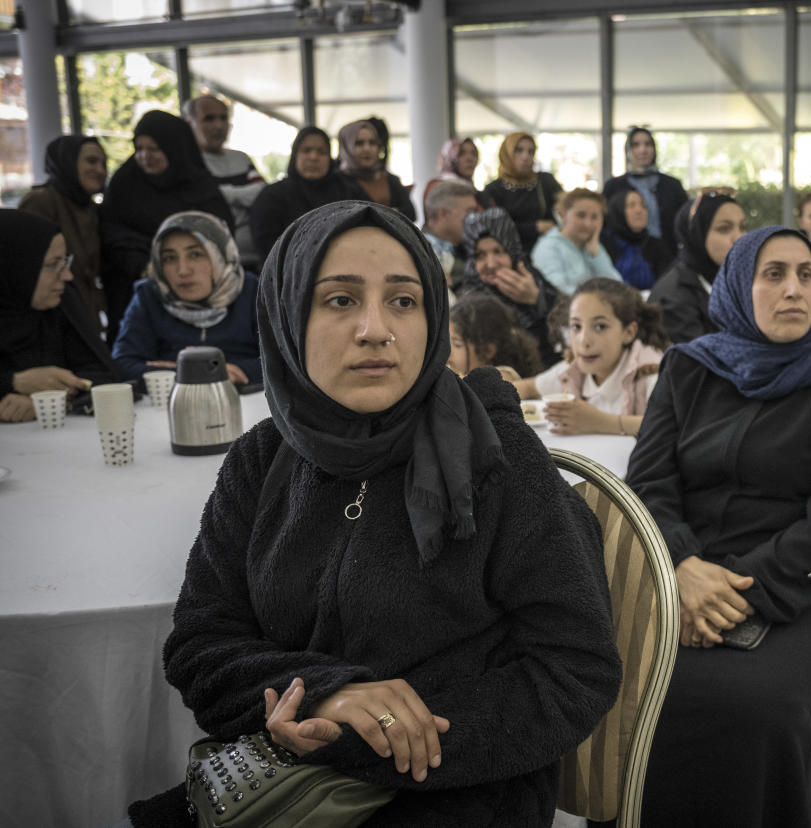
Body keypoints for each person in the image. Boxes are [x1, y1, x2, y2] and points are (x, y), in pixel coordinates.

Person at [122, 200, 622, 827]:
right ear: (287, 316)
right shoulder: (264, 457)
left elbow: (575, 668)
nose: (376, 329)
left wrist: (382, 736)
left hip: (458, 792)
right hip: (285, 785)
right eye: (340, 300)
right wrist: (323, 696)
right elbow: (200, 644)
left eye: (403, 301)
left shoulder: (496, 459)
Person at [626, 225, 811, 826]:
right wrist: (681, 568)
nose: (794, 290)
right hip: (685, 570)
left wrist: (722, 593)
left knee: (755, 706)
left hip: (810, 582)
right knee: (623, 678)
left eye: (805, 274)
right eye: (773, 274)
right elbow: (648, 485)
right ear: (736, 287)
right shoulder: (688, 368)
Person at [100, 110, 233, 343]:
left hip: (196, 289)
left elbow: (219, 233)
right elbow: (110, 230)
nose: (144, 156)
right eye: (139, 148)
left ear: (174, 148)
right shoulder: (125, 182)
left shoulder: (199, 184)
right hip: (134, 287)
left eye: (154, 149)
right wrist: (143, 265)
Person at [111, 211, 261, 388]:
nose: (182, 270)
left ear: (220, 255)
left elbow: (283, 362)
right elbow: (122, 365)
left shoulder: (253, 291)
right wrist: (193, 372)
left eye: (195, 255)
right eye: (169, 258)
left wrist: (218, 371)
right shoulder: (149, 296)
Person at [1, 211, 118, 423]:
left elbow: (103, 374)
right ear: (15, 267)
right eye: (52, 264)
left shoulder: (61, 300)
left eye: (65, 262)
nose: (67, 275)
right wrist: (14, 382)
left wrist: (50, 399)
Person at [511, 278, 668, 437]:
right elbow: (528, 387)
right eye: (576, 327)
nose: (584, 341)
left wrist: (599, 421)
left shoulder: (651, 371)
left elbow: (667, 425)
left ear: (628, 332)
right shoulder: (575, 368)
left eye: (600, 327)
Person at [18, 135, 109, 337]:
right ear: (67, 161)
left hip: (81, 318)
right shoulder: (41, 202)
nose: (101, 170)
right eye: (91, 161)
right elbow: (27, 268)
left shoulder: (90, 209)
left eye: (104, 163)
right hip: (49, 321)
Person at [250, 126, 367, 264]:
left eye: (321, 152)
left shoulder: (348, 191)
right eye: (306, 150)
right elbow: (267, 249)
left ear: (330, 158)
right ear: (295, 155)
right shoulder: (273, 196)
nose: (313, 157)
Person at [460, 207, 560, 368]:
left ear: (512, 251)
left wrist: (537, 299)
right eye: (480, 255)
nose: (491, 264)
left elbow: (567, 327)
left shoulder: (533, 277)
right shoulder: (469, 300)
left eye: (498, 251)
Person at [648, 192, 747, 343]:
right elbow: (704, 361)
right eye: (724, 228)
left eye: (742, 227)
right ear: (696, 234)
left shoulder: (727, 280)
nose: (739, 238)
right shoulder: (674, 296)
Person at [183, 95, 267, 272]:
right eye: (209, 118)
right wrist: (242, 197)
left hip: (254, 262)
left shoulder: (241, 159)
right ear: (190, 123)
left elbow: (262, 193)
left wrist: (226, 194)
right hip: (212, 266)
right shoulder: (187, 164)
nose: (219, 126)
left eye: (223, 118)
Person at [602, 127, 689, 259]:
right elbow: (606, 226)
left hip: (668, 258)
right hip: (624, 258)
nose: (642, 150)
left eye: (648, 144)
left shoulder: (672, 185)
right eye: (635, 145)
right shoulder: (613, 186)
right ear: (627, 150)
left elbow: (685, 222)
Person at [481, 132, 563, 255]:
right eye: (518, 150)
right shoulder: (493, 189)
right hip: (510, 254)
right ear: (506, 154)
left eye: (531, 152)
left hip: (550, 250)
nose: (525, 157)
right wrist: (535, 227)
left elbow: (567, 207)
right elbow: (495, 228)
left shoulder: (545, 181)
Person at [530, 189, 621, 295]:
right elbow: (556, 292)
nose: (587, 224)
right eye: (581, 215)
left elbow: (618, 287)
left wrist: (596, 254)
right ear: (563, 215)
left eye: (594, 217)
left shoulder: (593, 245)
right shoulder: (548, 248)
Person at [336, 119, 418, 223]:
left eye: (372, 143)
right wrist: (392, 212)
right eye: (359, 143)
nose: (367, 148)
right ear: (346, 147)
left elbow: (411, 213)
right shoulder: (336, 182)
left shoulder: (390, 179)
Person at [447, 293, 542, 379]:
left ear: (488, 351)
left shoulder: (502, 378)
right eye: (447, 341)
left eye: (457, 344)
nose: (448, 351)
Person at [601, 188, 672, 291]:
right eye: (631, 206)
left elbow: (667, 283)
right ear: (618, 211)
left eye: (643, 206)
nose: (639, 211)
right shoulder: (604, 244)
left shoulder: (656, 245)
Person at [422, 179, 481, 295]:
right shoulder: (425, 256)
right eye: (470, 212)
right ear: (442, 214)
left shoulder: (472, 245)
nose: (476, 218)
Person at [422, 136, 481, 208]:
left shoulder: (476, 193)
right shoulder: (436, 187)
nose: (470, 158)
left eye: (474, 153)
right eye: (461, 153)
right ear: (449, 158)